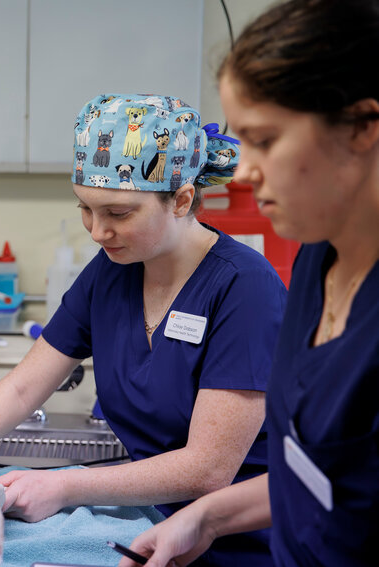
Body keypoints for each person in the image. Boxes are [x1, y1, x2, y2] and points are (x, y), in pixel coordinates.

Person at [0, 93, 288, 566]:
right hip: (145, 520)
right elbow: (20, 391)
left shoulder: (245, 287)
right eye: (85, 209)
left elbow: (208, 469)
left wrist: (64, 485)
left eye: (118, 214)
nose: (97, 231)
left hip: (234, 542)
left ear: (180, 200)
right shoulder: (113, 270)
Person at [118, 1, 379, 565]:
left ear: (361, 126)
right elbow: (316, 474)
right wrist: (205, 519)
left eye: (264, 140)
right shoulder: (316, 261)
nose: (243, 169)